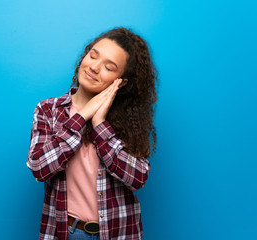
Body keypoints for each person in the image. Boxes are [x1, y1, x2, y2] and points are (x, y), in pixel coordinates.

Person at [27, 27, 158, 240]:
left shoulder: (128, 120)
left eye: (109, 67)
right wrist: (81, 117)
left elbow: (138, 178)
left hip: (119, 232)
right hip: (67, 232)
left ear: (121, 82)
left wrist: (99, 124)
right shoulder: (48, 110)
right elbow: (39, 167)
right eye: (93, 55)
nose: (94, 67)